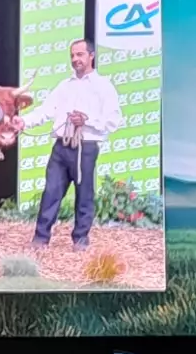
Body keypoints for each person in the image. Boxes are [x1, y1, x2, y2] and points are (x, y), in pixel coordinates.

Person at [12, 39, 122, 251]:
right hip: (61, 147)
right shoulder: (64, 86)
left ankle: (80, 239)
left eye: (80, 54)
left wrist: (87, 120)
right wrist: (23, 121)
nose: (75, 59)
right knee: (51, 191)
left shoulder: (104, 86)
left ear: (91, 56)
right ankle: (40, 238)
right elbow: (46, 110)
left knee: (84, 194)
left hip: (86, 147)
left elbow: (113, 121)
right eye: (72, 55)